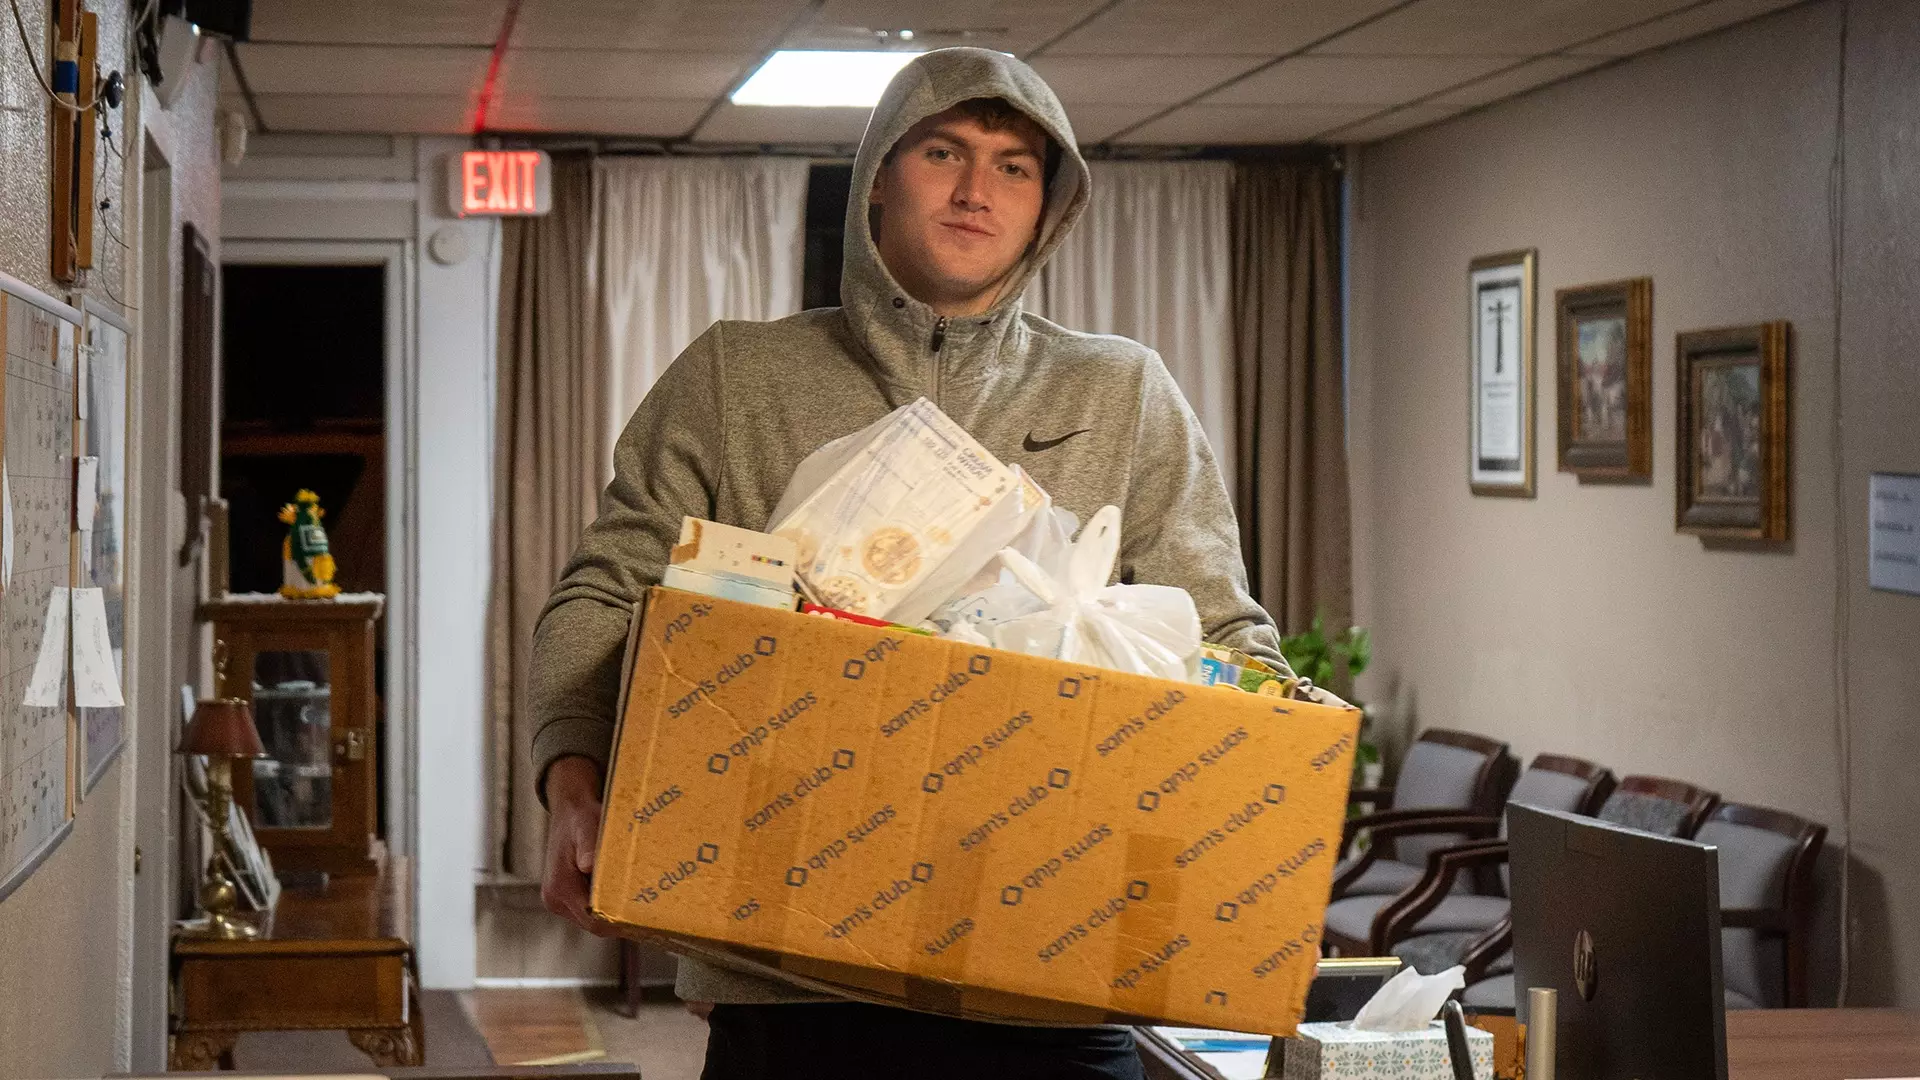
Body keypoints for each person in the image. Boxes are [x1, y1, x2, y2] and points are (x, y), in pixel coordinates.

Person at [529, 47, 1291, 1080]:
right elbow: (607, 593)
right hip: (790, 980)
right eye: (946, 152)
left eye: (1016, 167)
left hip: (1052, 990)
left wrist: (1283, 756)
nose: (980, 190)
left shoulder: (1121, 392)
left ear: (1048, 207)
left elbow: (1218, 628)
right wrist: (572, 786)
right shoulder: (736, 375)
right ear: (880, 175)